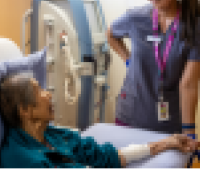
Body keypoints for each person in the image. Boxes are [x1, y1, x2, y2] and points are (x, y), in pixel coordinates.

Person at [0, 72, 198, 168]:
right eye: (39, 91)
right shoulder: (25, 161)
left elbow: (106, 156)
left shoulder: (55, 136)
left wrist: (166, 143)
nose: (49, 95)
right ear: (25, 110)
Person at [107, 0, 200, 137]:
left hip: (169, 121)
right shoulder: (135, 18)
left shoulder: (193, 26)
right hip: (130, 116)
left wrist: (189, 130)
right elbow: (111, 34)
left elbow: (188, 84)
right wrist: (128, 60)